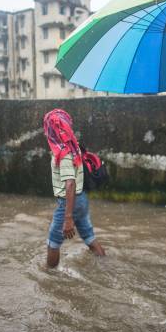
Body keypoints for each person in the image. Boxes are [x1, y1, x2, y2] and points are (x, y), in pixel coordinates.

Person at [43, 109, 105, 268]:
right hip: (81, 199)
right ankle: (105, 264)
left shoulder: (62, 153)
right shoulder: (74, 147)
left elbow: (70, 183)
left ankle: (49, 277)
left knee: (53, 243)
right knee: (89, 237)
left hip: (69, 203)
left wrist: (68, 218)